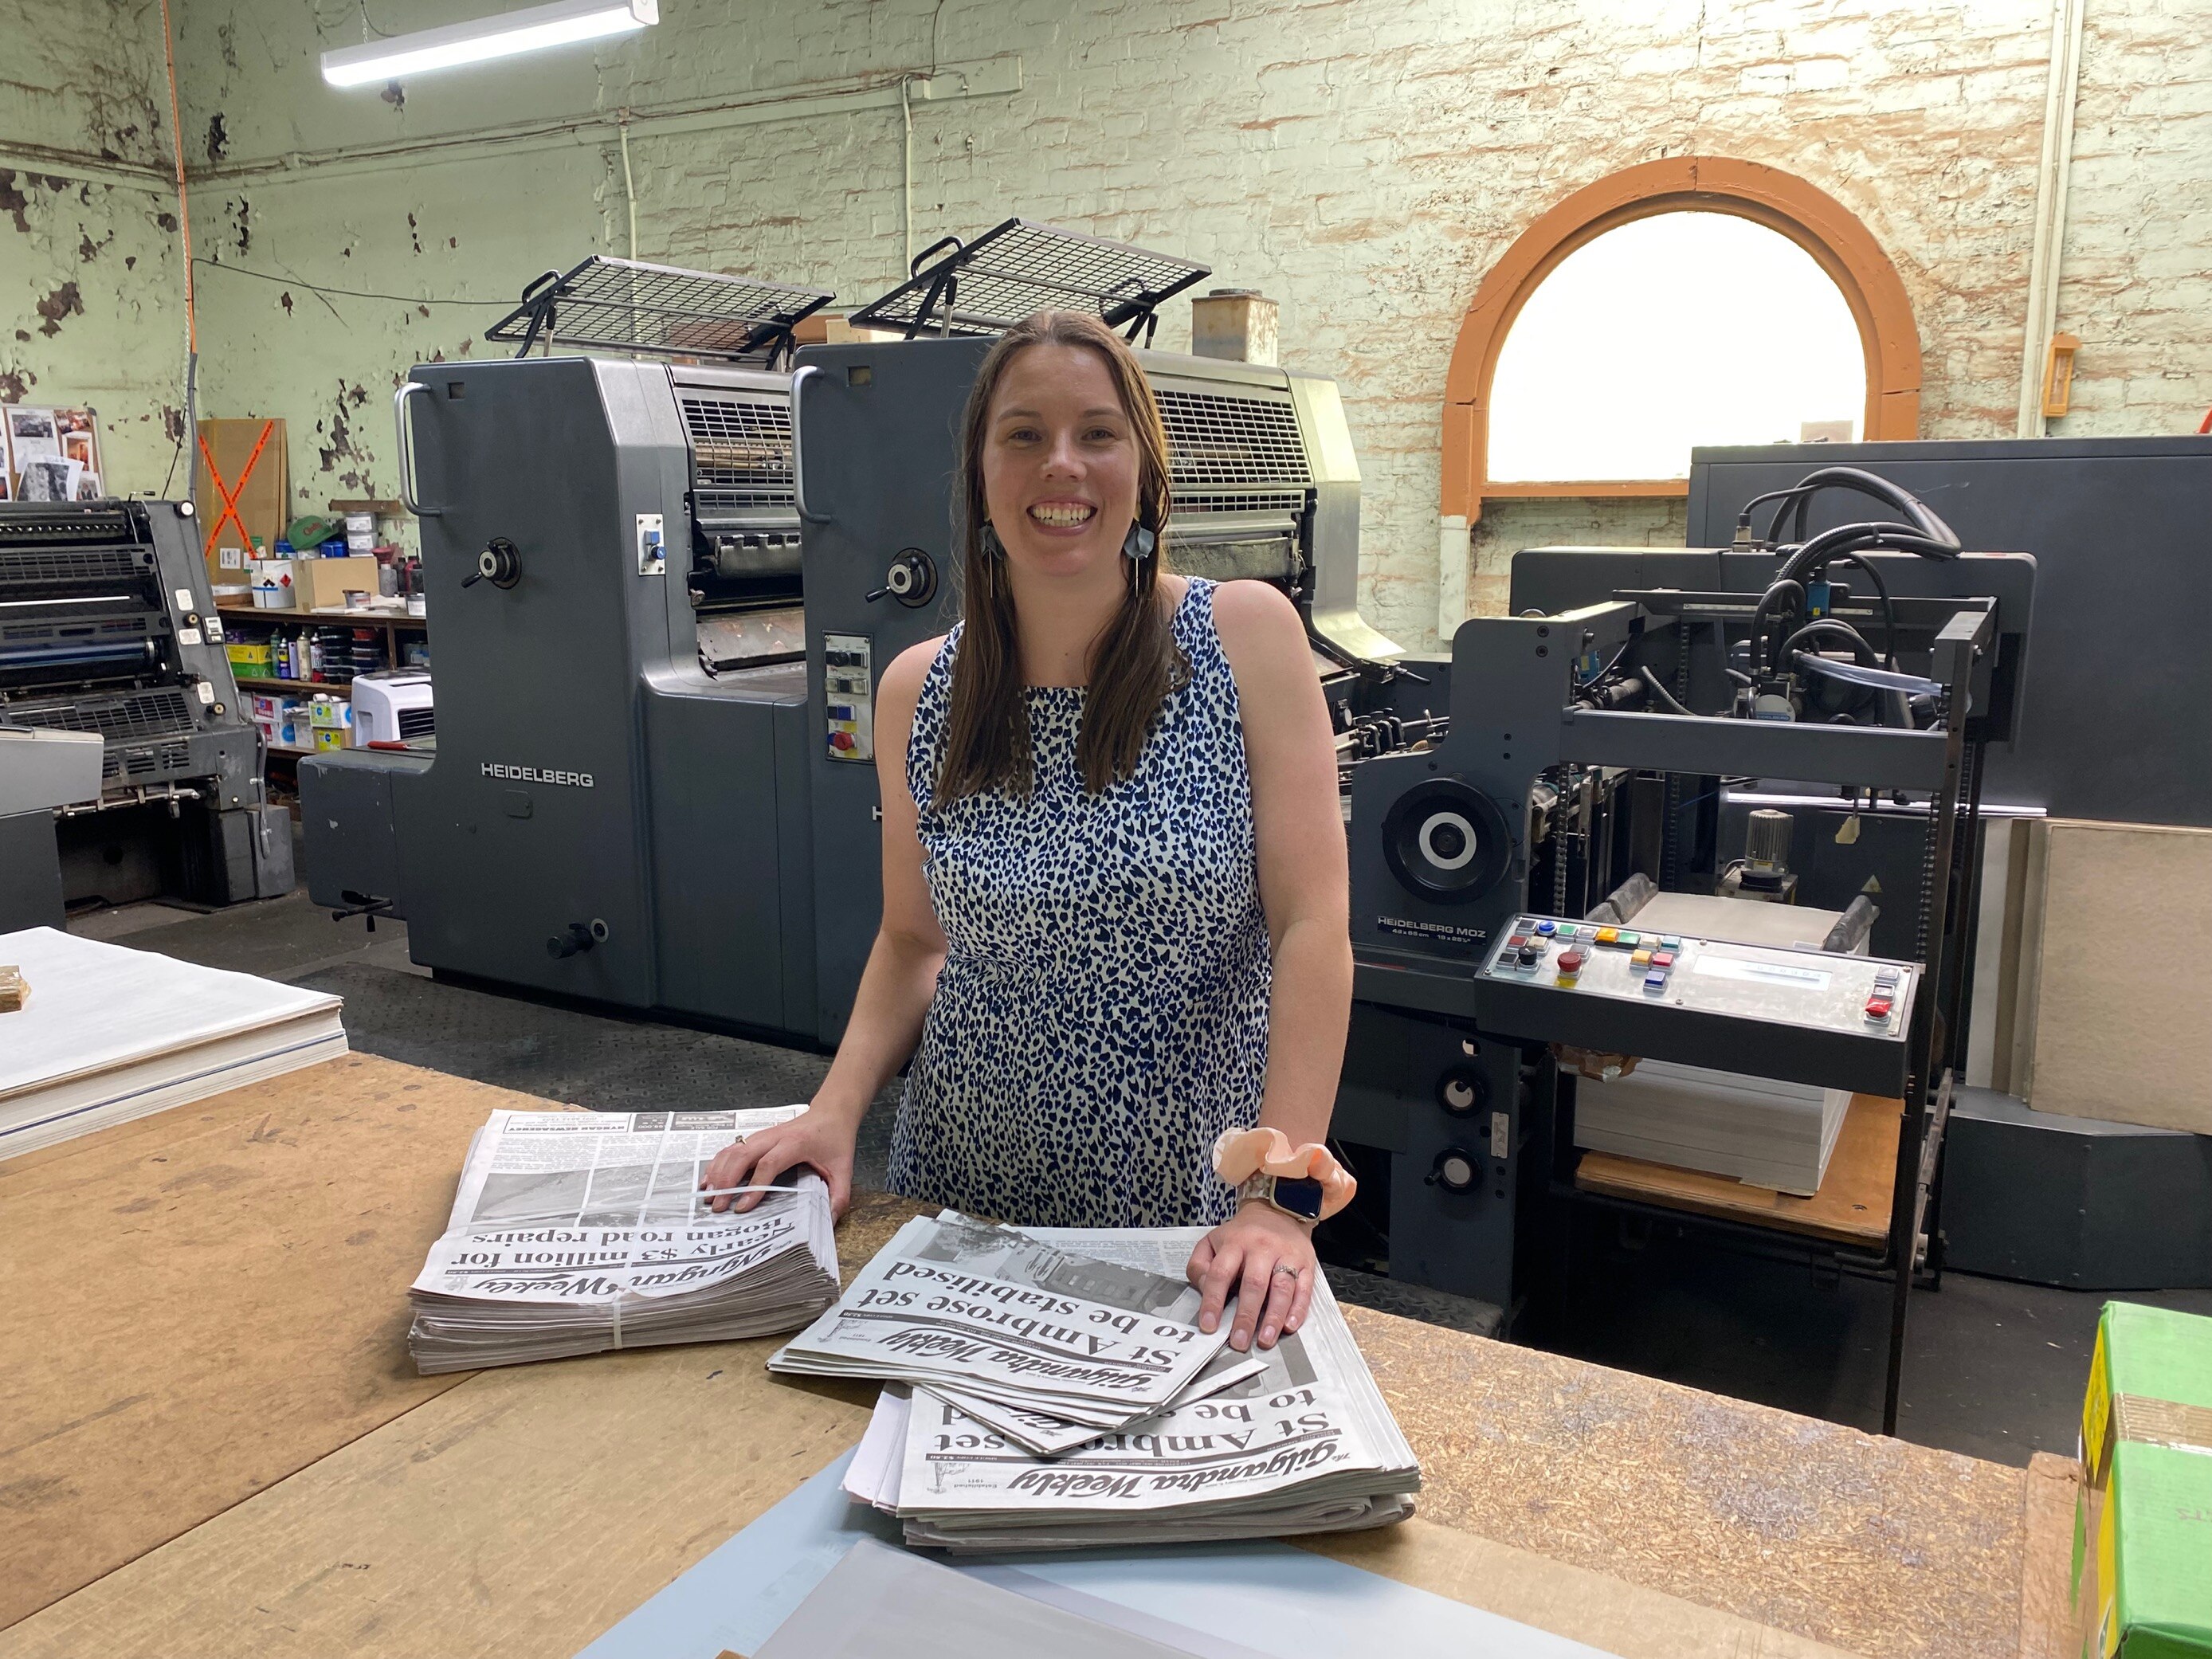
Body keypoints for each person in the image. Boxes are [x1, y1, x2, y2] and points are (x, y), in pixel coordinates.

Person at [704, 309, 1351, 1353]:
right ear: (981, 474)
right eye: (1024, 434)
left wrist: (1282, 1194)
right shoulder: (921, 689)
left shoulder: (1243, 637)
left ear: (1143, 467)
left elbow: (1312, 923)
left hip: (1186, 1208)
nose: (1063, 464)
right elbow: (914, 941)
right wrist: (834, 1110)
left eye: (1097, 432)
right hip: (961, 1193)